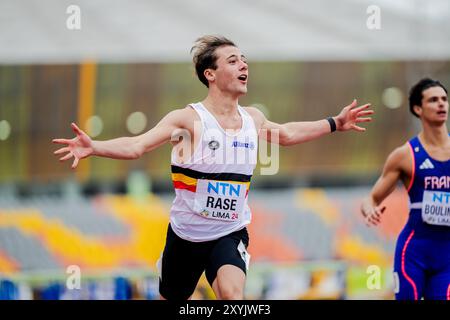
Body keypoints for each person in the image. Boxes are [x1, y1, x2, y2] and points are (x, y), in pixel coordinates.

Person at [53, 35, 373, 300]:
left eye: (244, 60)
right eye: (232, 60)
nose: (243, 65)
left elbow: (287, 134)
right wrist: (95, 147)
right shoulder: (189, 120)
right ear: (210, 74)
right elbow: (137, 146)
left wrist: (334, 123)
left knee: (234, 297)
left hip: (229, 232)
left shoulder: (253, 119)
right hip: (185, 237)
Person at [361, 78, 450, 300]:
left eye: (444, 99)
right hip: (414, 253)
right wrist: (370, 210)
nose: (441, 104)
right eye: (433, 100)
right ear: (418, 109)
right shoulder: (404, 156)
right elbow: (371, 198)